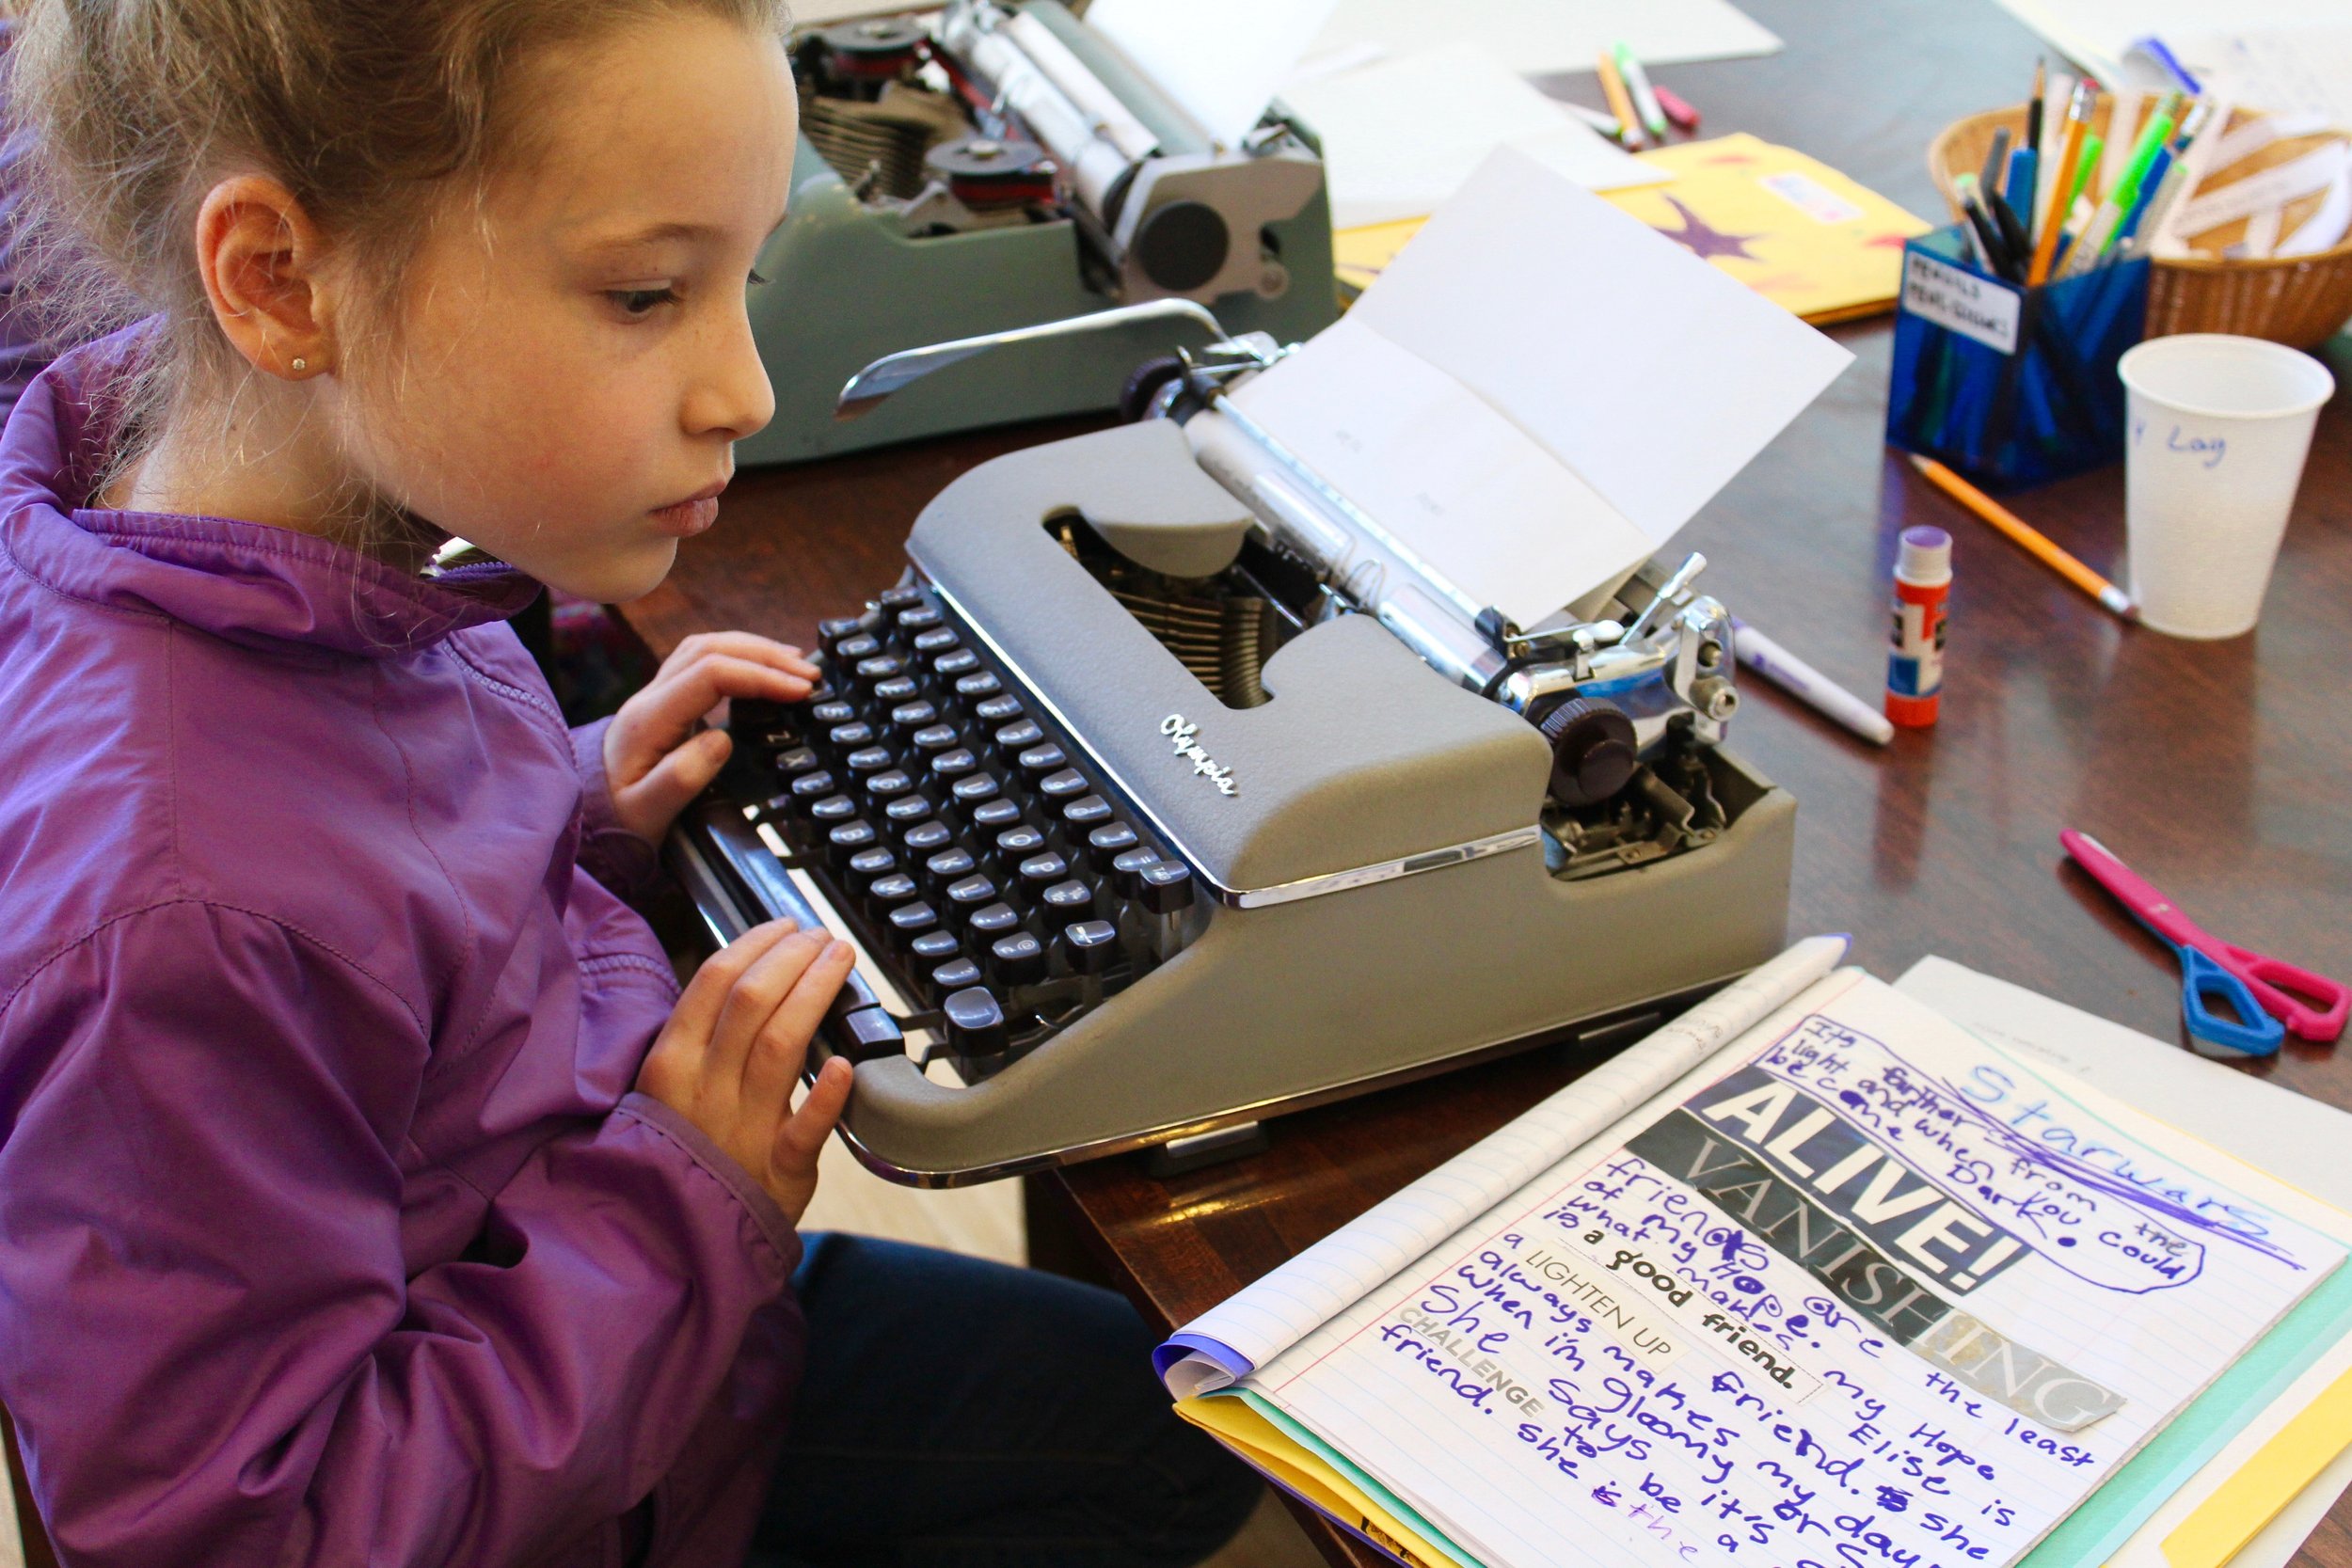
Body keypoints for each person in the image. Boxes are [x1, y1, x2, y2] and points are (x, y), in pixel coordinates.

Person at [0, 2, 1261, 1565]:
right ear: (277, 282)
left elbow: (366, 896)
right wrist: (685, 1198)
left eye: (745, 284)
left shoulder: (259, 514)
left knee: (1160, 1414)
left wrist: (577, 809)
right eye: (646, 294)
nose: (746, 391)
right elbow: (249, 1537)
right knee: (1181, 1442)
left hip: (585, 1261)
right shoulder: (182, 926)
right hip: (587, 1388)